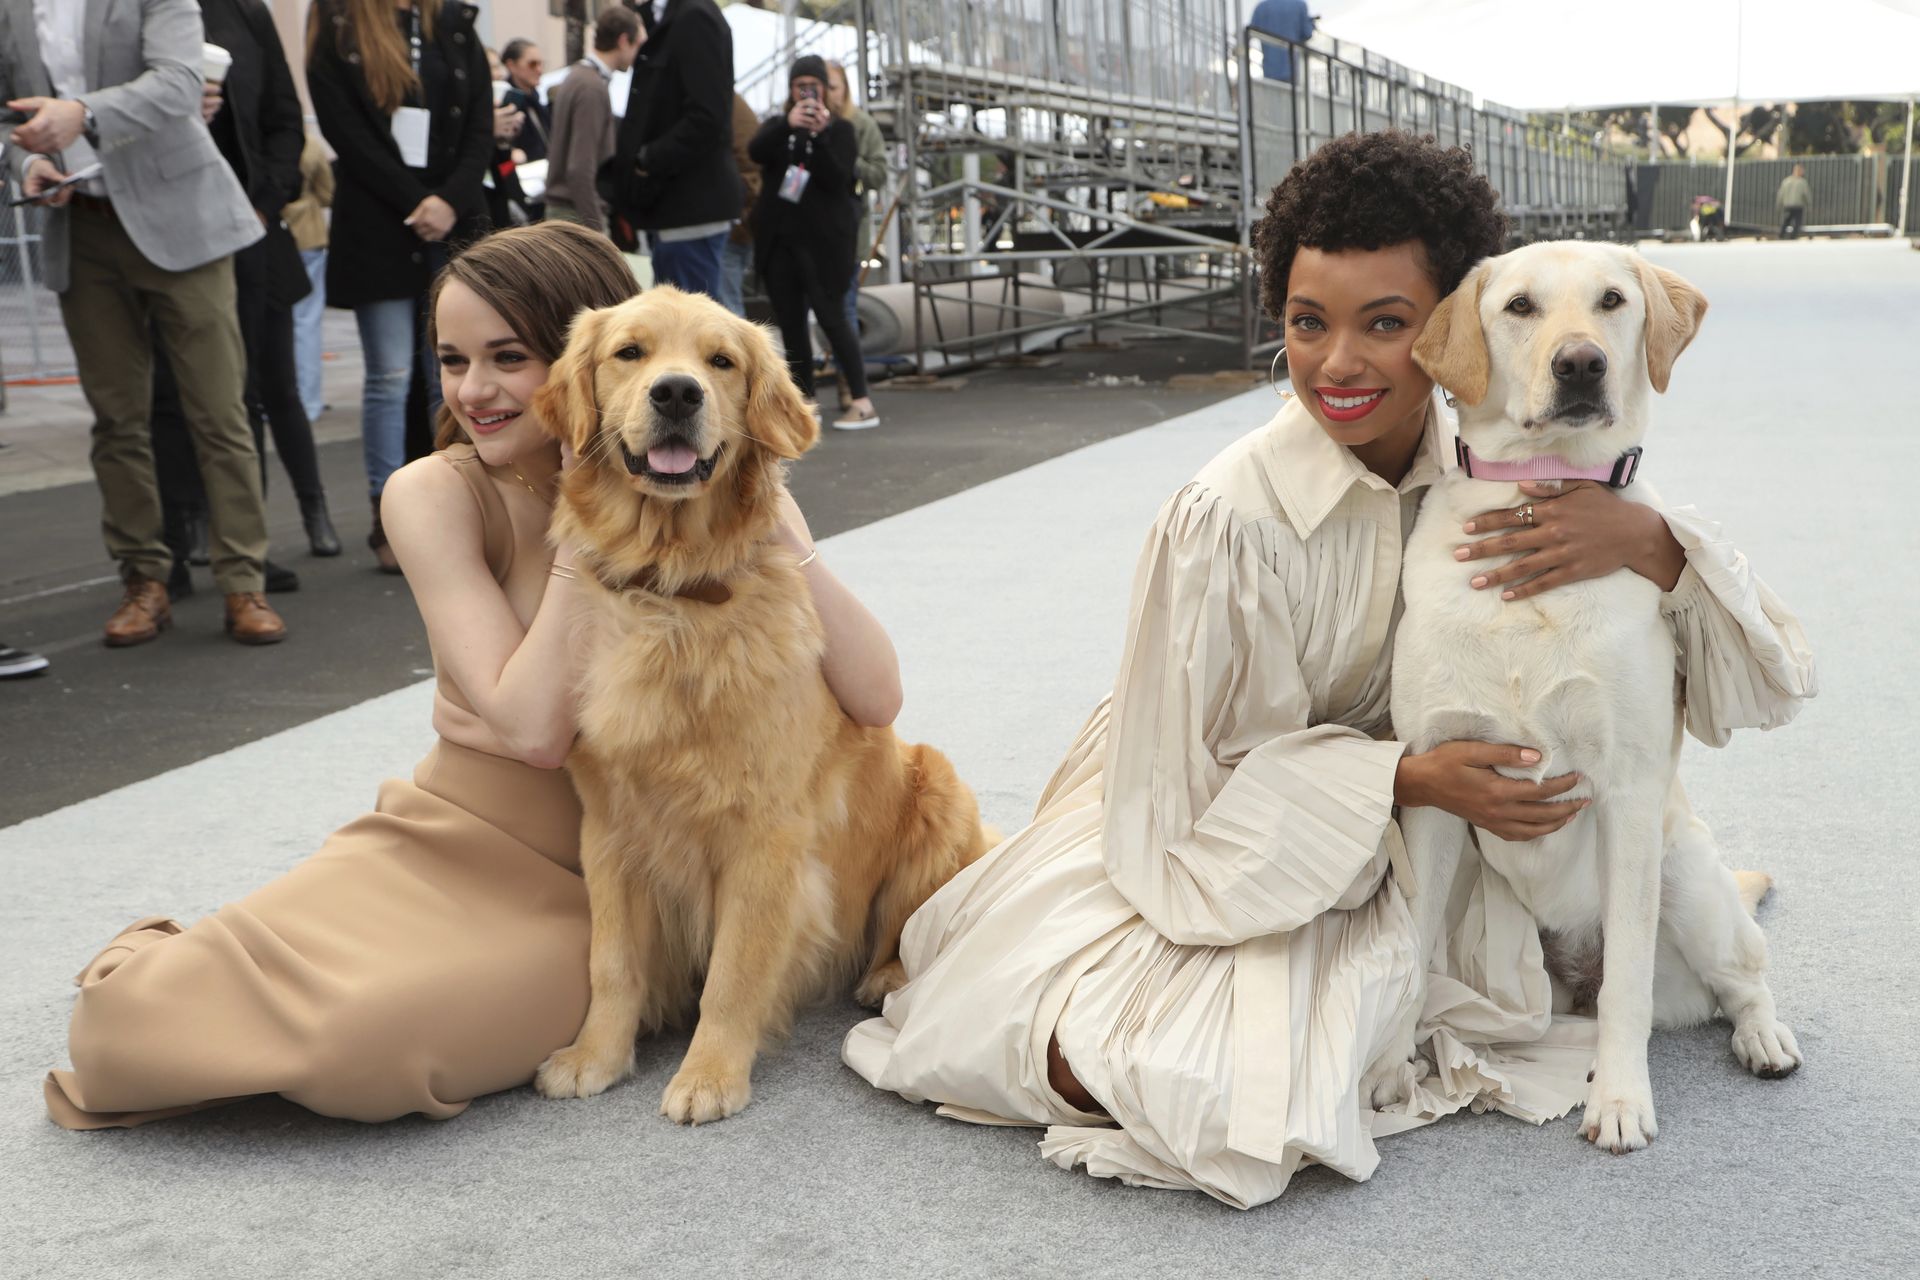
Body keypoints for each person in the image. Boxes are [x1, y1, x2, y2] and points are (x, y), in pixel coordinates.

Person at [843, 131, 1815, 1208]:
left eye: (1386, 323)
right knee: (1169, 1077)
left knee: (1350, 1033)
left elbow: (1753, 669)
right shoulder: (1227, 514)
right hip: (1209, 813)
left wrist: (1648, 542)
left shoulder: (1483, 460)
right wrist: (1405, 777)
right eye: (1307, 323)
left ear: (1447, 333)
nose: (1340, 362)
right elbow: (1188, 774)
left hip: (1396, 826)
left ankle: (1687, 928)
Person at [41, 221, 906, 1130]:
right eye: (453, 361)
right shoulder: (433, 493)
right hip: (447, 838)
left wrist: (782, 533)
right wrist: (589, 532)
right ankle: (157, 952)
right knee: (130, 1028)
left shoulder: (708, 477)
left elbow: (878, 699)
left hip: (595, 887)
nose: (477, 389)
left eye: (507, 357)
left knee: (359, 1051)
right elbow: (533, 732)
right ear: (594, 378)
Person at [3, 0, 288, 645]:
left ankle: (243, 581)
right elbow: (5, 113)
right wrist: (26, 164)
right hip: (81, 223)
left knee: (219, 412)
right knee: (116, 418)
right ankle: (144, 581)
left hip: (181, 215)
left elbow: (180, 80)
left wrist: (84, 112)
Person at [151, 0, 341, 571]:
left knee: (262, 389)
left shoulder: (243, 12)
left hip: (252, 232)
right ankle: (178, 544)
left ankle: (258, 541)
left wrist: (264, 204)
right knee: (169, 396)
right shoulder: (136, 12)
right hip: (166, 233)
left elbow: (284, 118)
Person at [305, 0, 493, 573]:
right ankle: (389, 516)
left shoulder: (455, 25)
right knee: (390, 378)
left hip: (456, 226)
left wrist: (449, 200)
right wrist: (416, 202)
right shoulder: (339, 30)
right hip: (382, 229)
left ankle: (466, 505)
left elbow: (479, 126)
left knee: (456, 376)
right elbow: (349, 136)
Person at [748, 57, 879, 430]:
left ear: (825, 89)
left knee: (834, 320)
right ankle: (804, 405)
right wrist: (789, 129)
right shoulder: (778, 127)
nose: (806, 93)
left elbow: (838, 178)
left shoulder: (841, 131)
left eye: (813, 85)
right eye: (799, 85)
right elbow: (756, 151)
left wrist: (819, 138)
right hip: (780, 246)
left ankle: (862, 400)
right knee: (791, 326)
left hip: (823, 250)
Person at [609, 0, 741, 298]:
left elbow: (708, 117)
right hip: (677, 211)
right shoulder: (674, 16)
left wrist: (648, 159)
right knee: (689, 327)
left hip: (690, 212)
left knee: (696, 331)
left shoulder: (694, 16)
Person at [544, 6, 643, 231]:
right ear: (624, 40)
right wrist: (596, 228)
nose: (639, 54)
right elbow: (580, 168)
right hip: (576, 217)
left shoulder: (579, 77)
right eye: (639, 44)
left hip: (569, 213)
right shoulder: (591, 87)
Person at [825, 59, 885, 408]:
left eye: (832, 86)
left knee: (844, 309)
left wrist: (847, 158)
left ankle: (852, 386)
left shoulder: (859, 124)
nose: (826, 94)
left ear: (845, 87)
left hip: (847, 235)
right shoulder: (802, 122)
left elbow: (879, 173)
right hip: (809, 236)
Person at [287, 133, 334, 427]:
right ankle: (309, 400)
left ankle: (282, 397)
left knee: (276, 325)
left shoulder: (256, 135)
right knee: (307, 323)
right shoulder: (309, 143)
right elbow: (327, 192)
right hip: (309, 236)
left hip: (271, 237)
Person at [717, 90, 760, 318]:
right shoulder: (733, 105)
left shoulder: (722, 103)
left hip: (730, 225)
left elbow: (750, 165)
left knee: (726, 308)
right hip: (737, 221)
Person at [1250, 0, 1315, 82]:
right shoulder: (1300, 5)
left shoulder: (1261, 7)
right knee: (1292, 92)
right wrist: (1311, 25)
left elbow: (1251, 32)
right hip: (1291, 69)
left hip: (1270, 70)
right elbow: (1307, 34)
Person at [1777, 163, 1812, 240]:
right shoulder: (1802, 182)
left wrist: (1779, 204)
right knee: (1797, 222)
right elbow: (1806, 194)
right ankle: (1793, 237)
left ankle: (1781, 235)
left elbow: (1780, 194)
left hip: (1787, 205)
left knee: (1786, 221)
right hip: (1798, 205)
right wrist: (1809, 205)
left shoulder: (1786, 181)